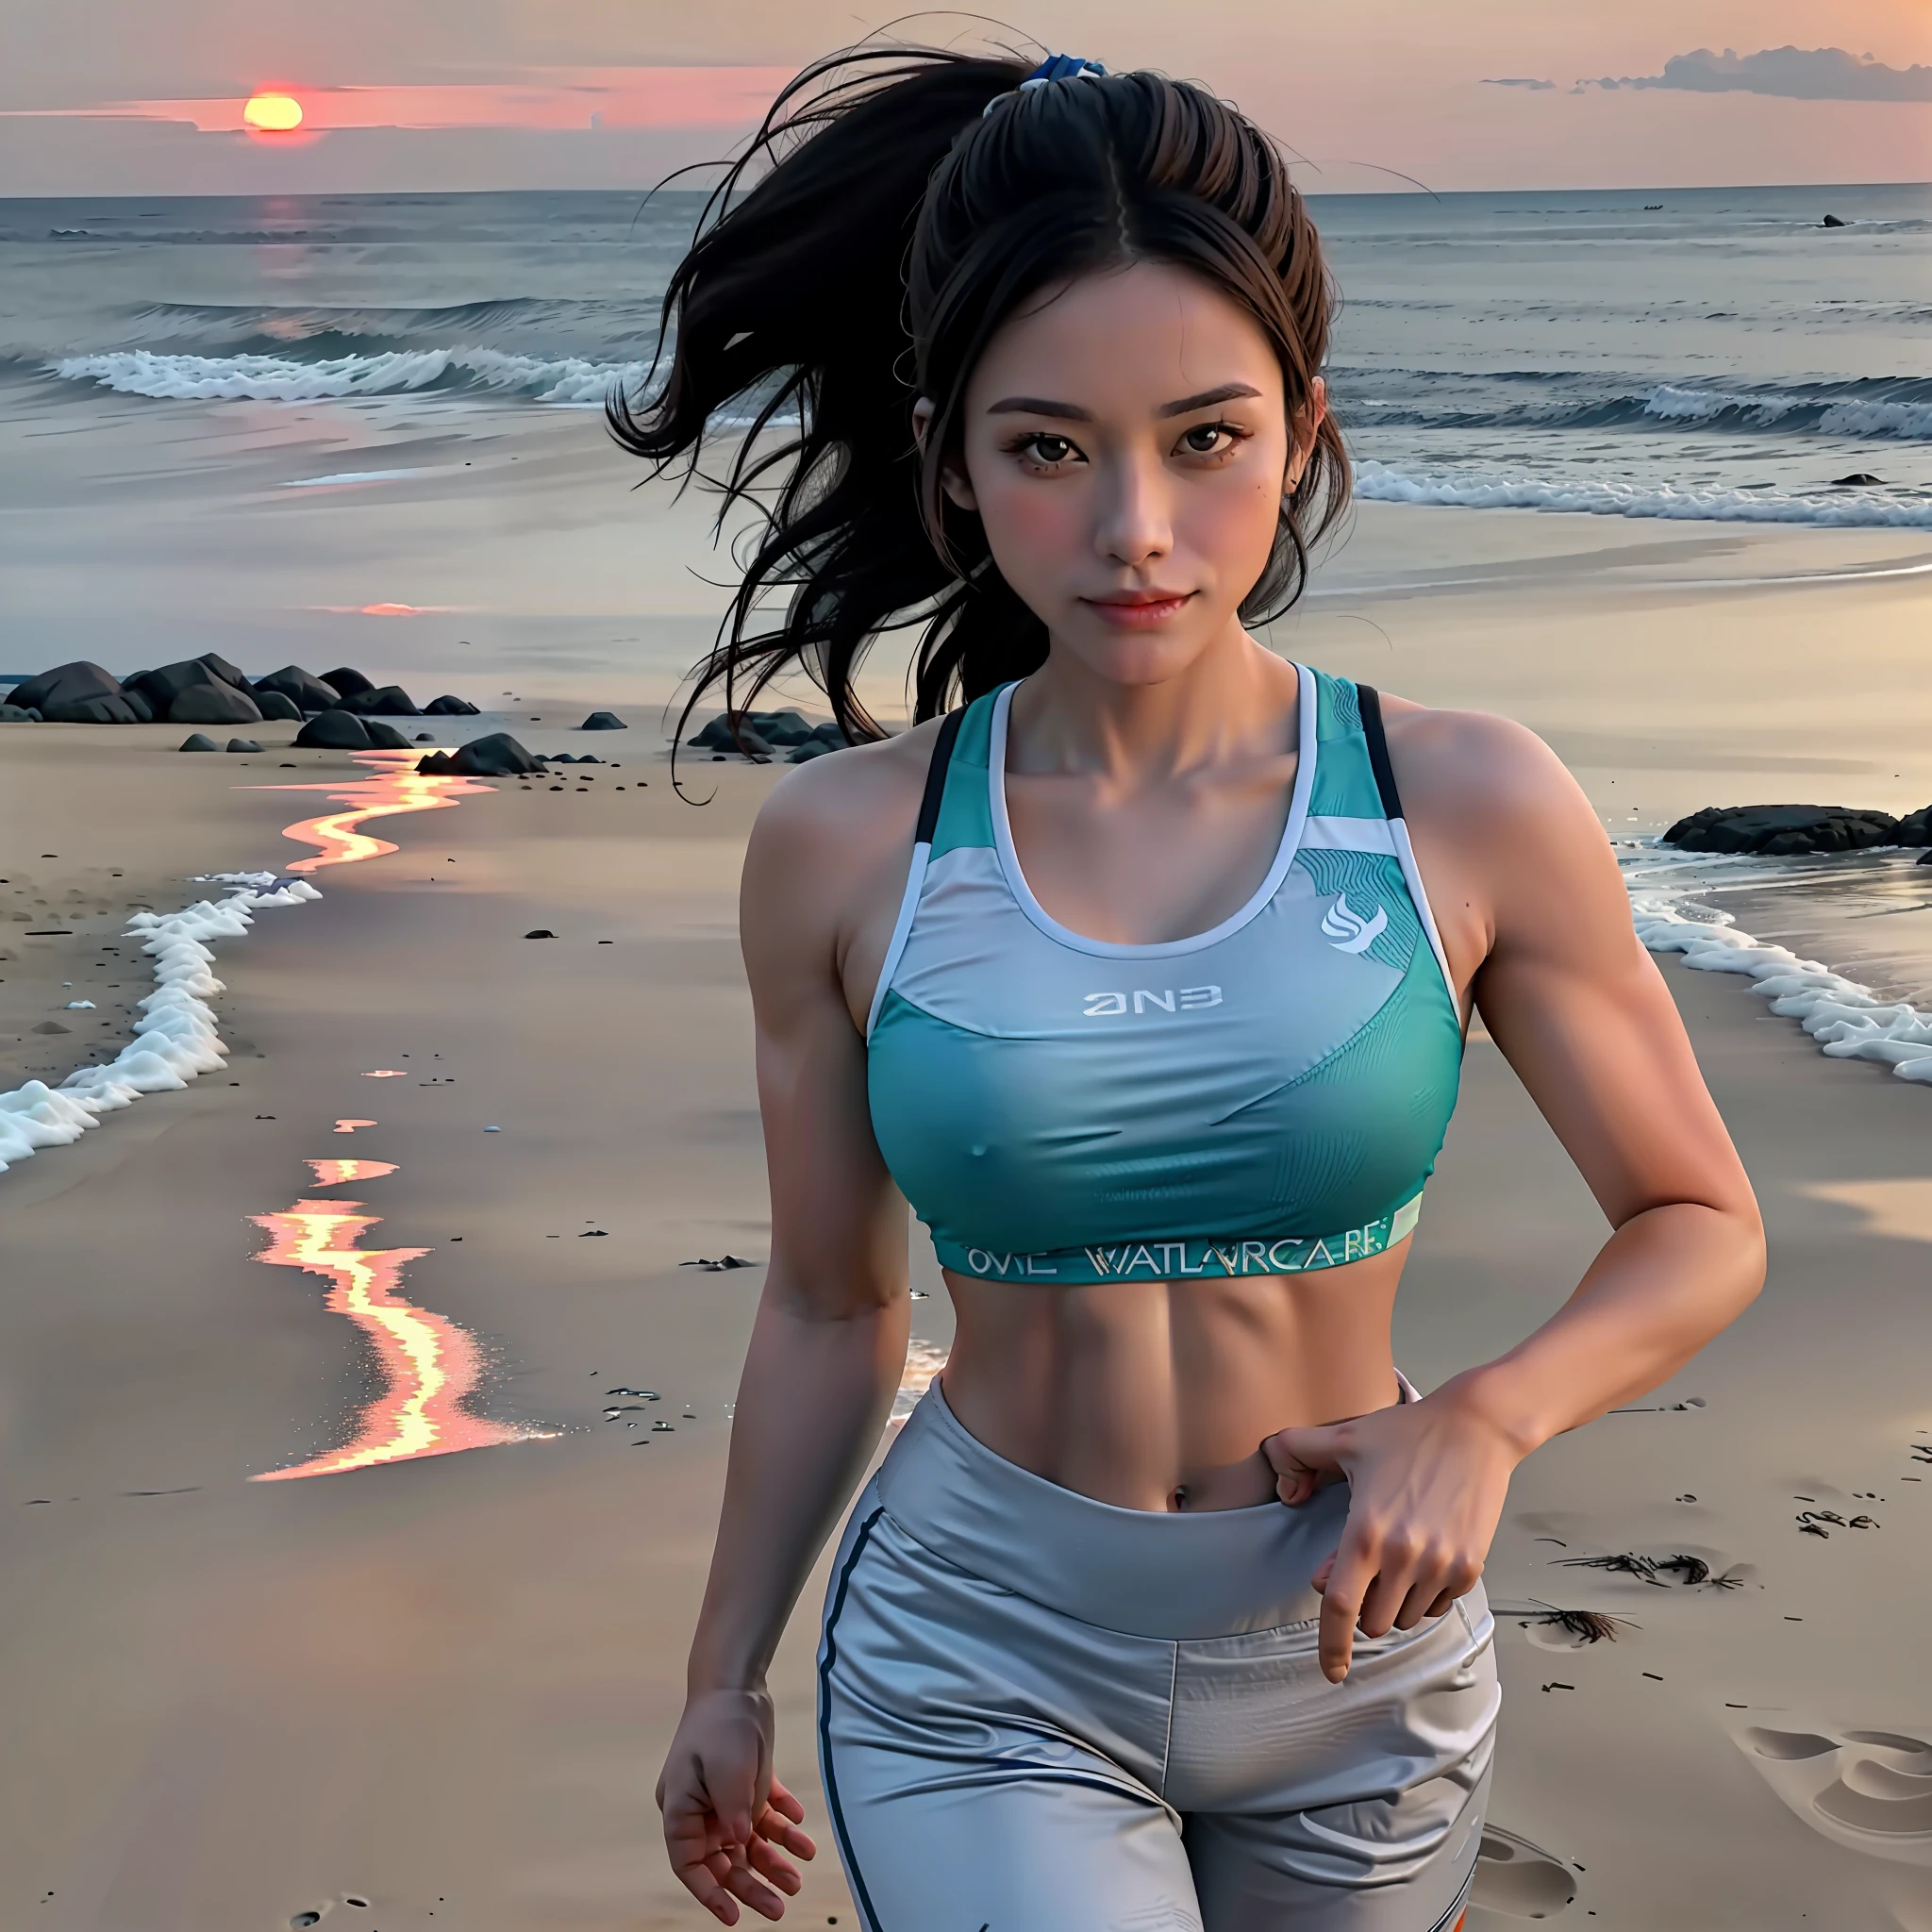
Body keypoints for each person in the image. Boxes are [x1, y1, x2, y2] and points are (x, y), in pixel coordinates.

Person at [615, 44, 1765, 1932]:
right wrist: (720, 1673)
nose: (1134, 525)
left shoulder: (1457, 802)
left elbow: (1699, 1219)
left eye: (1204, 438)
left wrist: (1483, 1419)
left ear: (1301, 428)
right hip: (981, 1653)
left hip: (1359, 1666)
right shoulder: (841, 848)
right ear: (954, 462)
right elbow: (829, 1302)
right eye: (1048, 447)